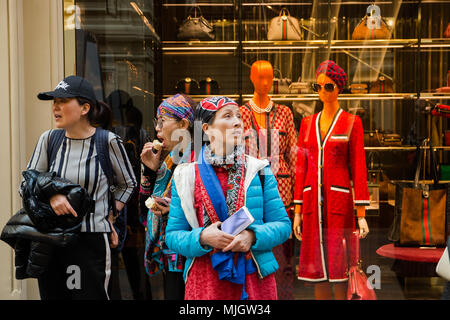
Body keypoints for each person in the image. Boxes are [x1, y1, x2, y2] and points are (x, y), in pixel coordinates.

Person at [165, 96, 291, 300]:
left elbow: (283, 226)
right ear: (206, 128)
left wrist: (252, 236)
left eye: (239, 116)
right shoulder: (185, 175)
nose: (238, 122)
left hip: (253, 279)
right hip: (205, 282)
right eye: (228, 116)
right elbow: (172, 236)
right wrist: (202, 237)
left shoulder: (259, 170)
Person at [25, 75, 137, 300]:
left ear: (85, 107)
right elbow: (27, 183)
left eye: (63, 101)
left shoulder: (108, 141)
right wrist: (53, 195)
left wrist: (109, 214)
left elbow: (128, 184)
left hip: (91, 241)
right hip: (51, 239)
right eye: (54, 102)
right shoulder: (49, 140)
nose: (55, 107)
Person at [293, 60, 370, 300]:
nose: (323, 91)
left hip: (340, 203)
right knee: (317, 269)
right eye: (318, 87)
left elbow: (358, 168)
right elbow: (301, 167)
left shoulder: (351, 122)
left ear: (339, 88)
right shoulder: (307, 123)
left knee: (339, 268)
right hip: (311, 203)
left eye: (328, 86)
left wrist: (361, 214)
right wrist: (297, 210)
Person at [240, 60, 298, 300]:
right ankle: (256, 296)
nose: (266, 82)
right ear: (252, 79)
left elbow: (293, 155)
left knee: (281, 249)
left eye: (270, 77)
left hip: (282, 188)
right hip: (250, 187)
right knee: (252, 242)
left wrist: (298, 198)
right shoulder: (240, 113)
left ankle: (283, 294)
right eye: (261, 77)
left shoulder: (285, 113)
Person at [139, 94, 196, 300]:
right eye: (157, 122)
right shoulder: (169, 159)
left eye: (162, 122)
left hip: (193, 255)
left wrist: (173, 208)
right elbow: (145, 209)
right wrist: (149, 170)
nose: (157, 129)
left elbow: (206, 208)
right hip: (170, 254)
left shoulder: (199, 160)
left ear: (183, 124)